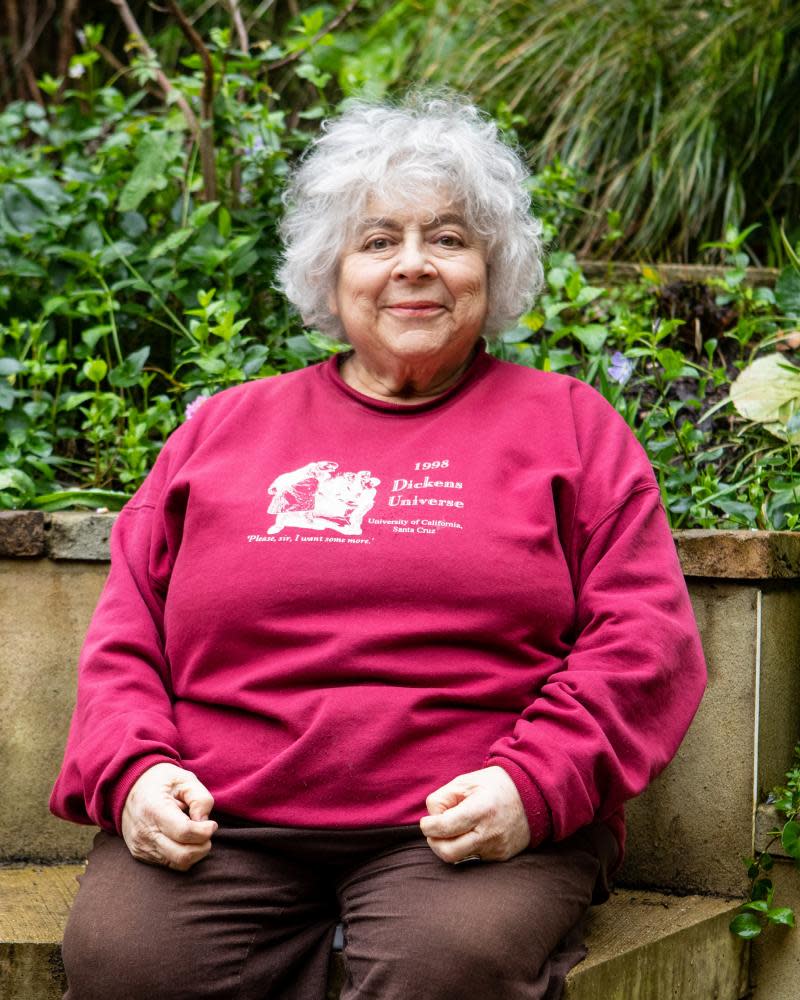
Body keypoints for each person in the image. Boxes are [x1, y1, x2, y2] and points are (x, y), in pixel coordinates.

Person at [50, 95, 706, 1000]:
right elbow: (127, 632)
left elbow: (646, 640)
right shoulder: (227, 429)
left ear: (491, 266)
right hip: (227, 820)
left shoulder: (568, 427)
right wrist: (135, 771)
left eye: (446, 238)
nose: (413, 267)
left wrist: (533, 784)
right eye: (377, 241)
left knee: (445, 969)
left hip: (459, 824)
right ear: (331, 274)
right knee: (130, 963)